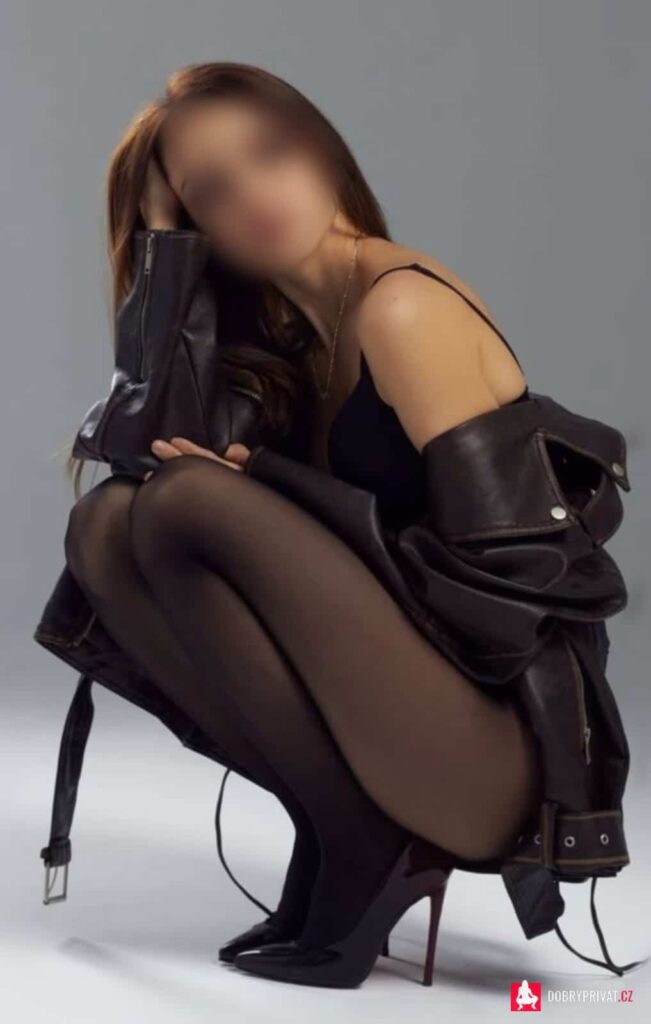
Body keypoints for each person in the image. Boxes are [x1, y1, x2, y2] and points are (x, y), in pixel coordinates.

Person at [61, 62, 607, 989]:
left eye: (271, 152)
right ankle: (338, 828)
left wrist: (271, 485)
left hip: (498, 759)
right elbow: (142, 448)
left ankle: (365, 843)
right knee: (109, 525)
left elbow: (512, 600)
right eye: (210, 191)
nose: (254, 196)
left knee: (191, 501)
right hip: (402, 732)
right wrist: (161, 247)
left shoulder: (402, 308)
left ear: (321, 150)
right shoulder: (294, 332)